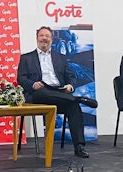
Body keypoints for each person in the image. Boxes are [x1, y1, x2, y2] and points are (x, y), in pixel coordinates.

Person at [17, 26, 98, 158]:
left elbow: (71, 76)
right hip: (39, 93)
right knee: (43, 92)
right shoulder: (26, 58)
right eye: (42, 35)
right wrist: (32, 84)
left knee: (73, 107)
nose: (44, 38)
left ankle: (79, 147)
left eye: (47, 36)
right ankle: (77, 98)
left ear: (51, 39)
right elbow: (21, 78)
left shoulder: (60, 57)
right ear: (37, 38)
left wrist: (71, 86)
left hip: (59, 93)